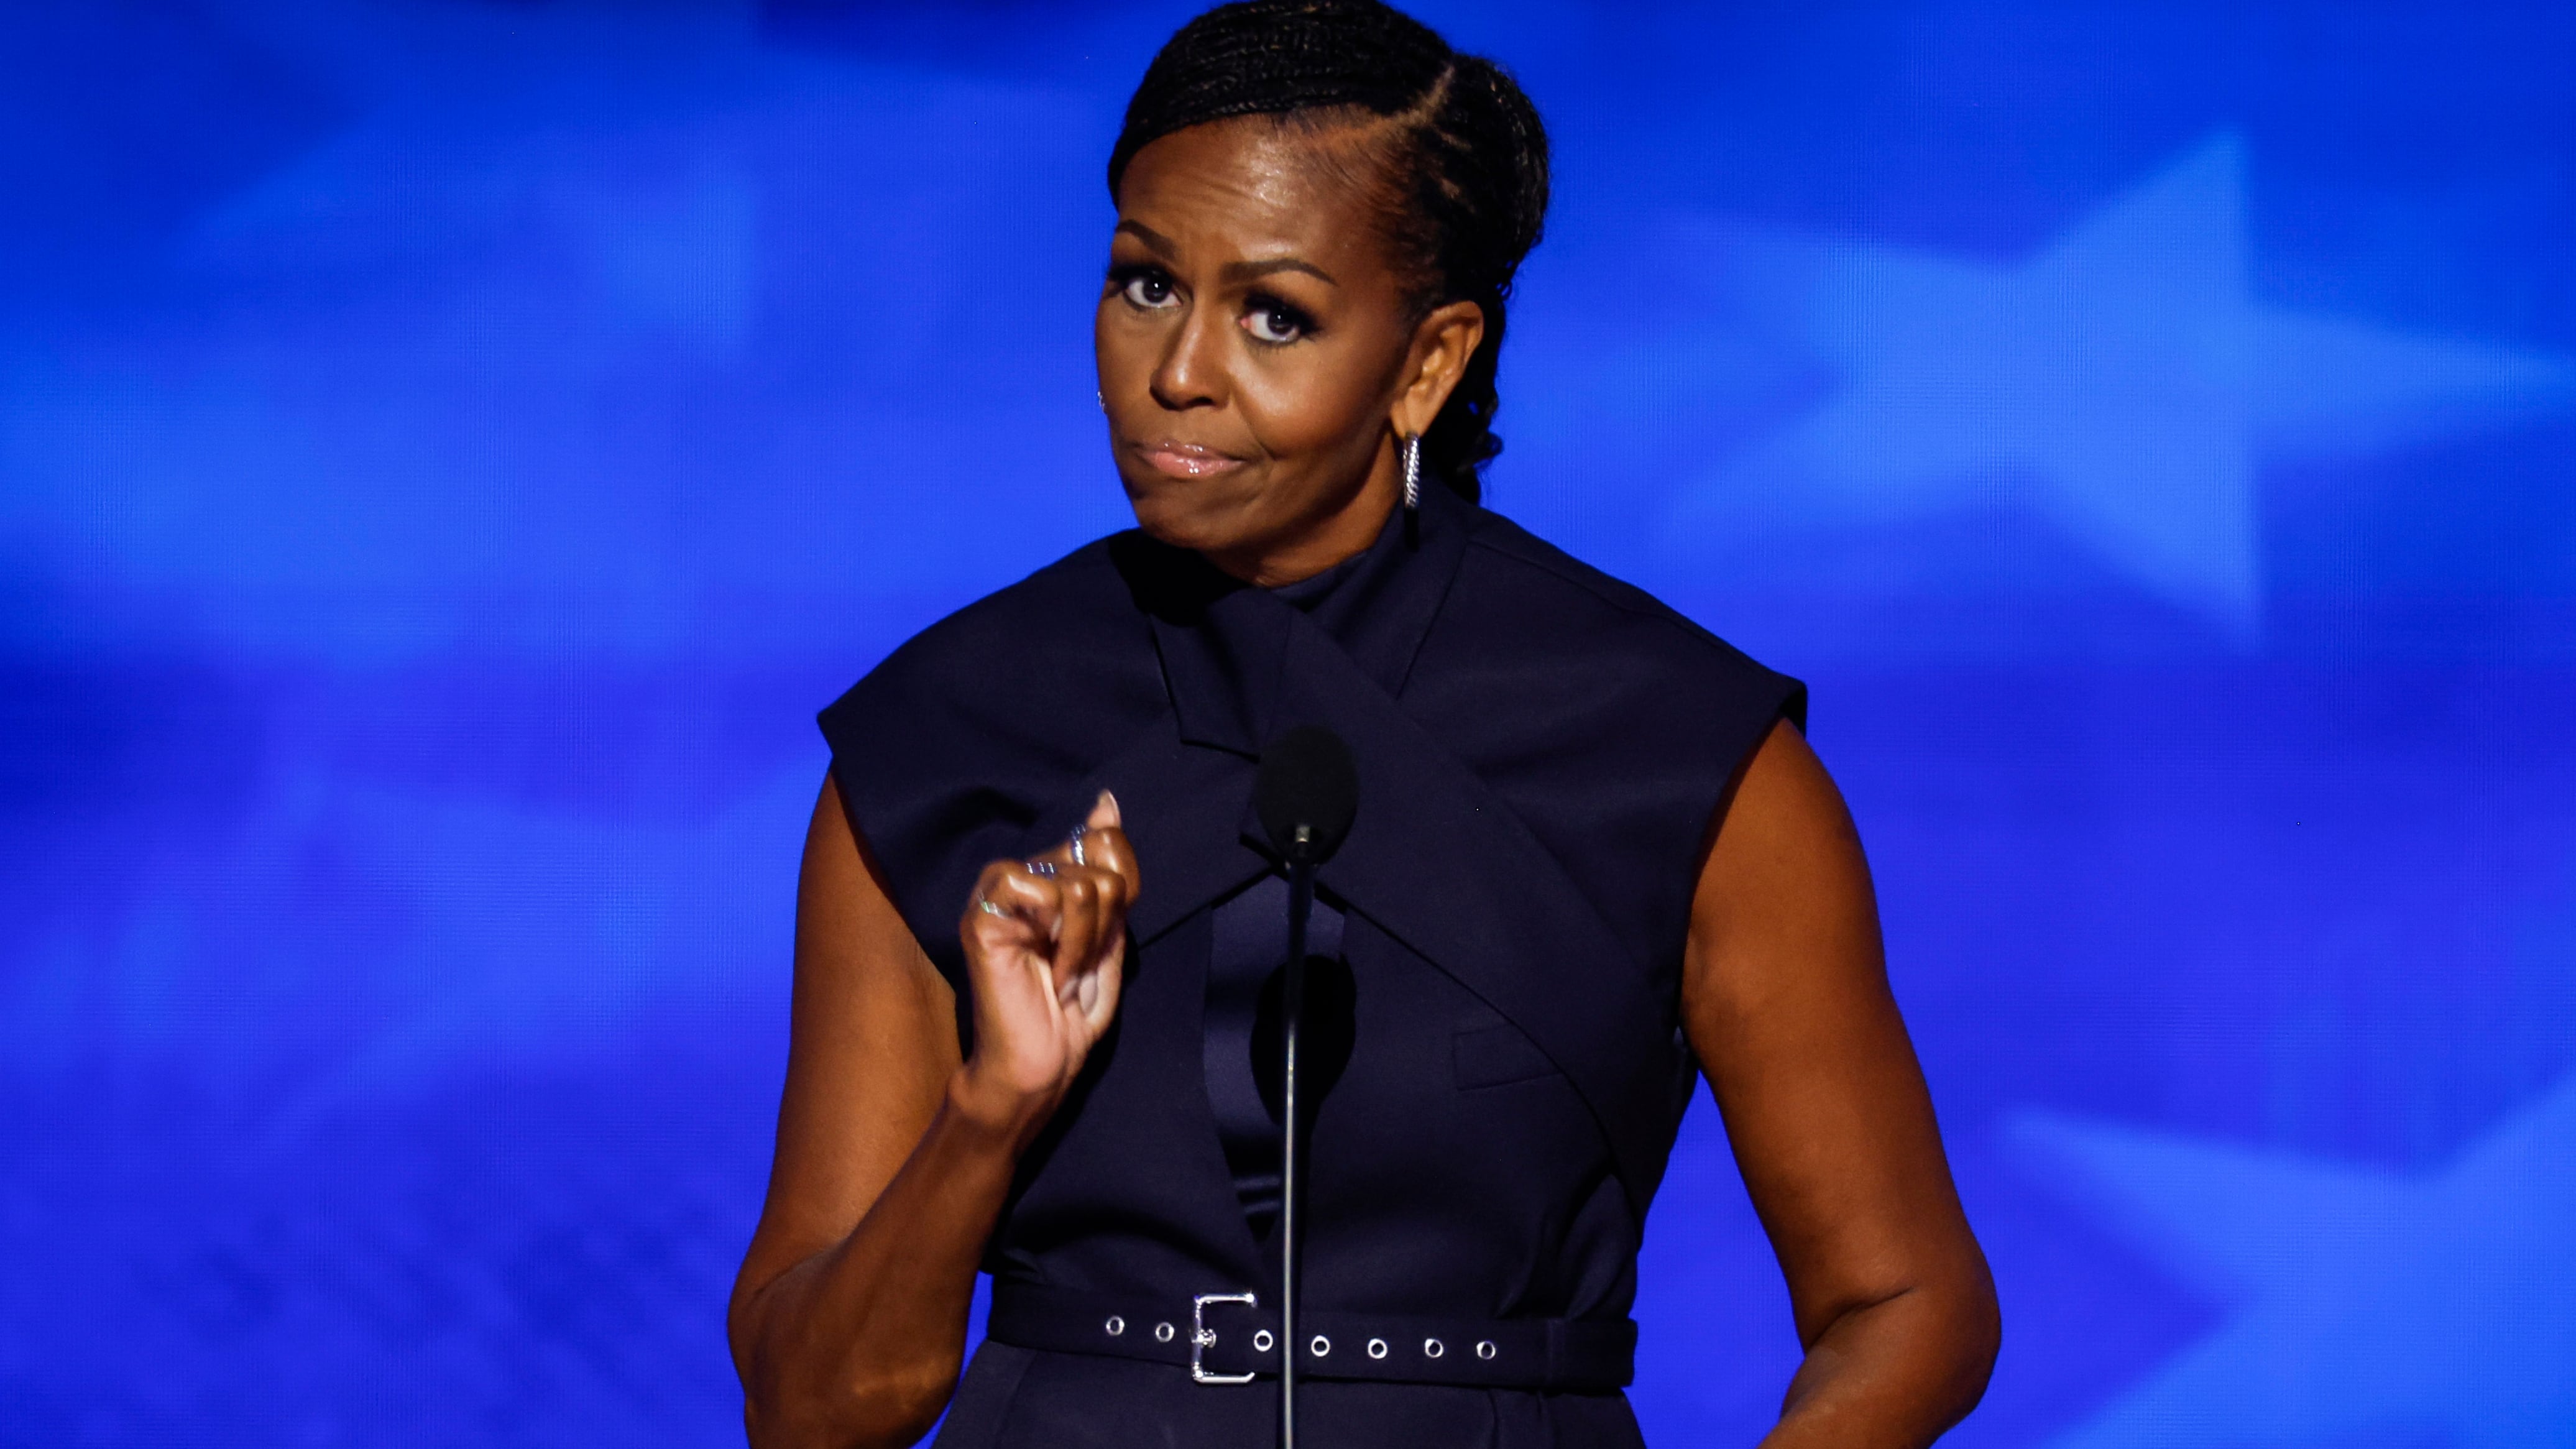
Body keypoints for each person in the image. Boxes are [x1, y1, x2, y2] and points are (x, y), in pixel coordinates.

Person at [727, 2, 1999, 1445]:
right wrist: (989, 1109)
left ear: (1426, 362)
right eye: (1144, 284)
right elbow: (814, 1410)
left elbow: (1907, 1302)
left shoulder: (1682, 752)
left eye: (1274, 313)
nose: (1179, 371)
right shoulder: (941, 737)